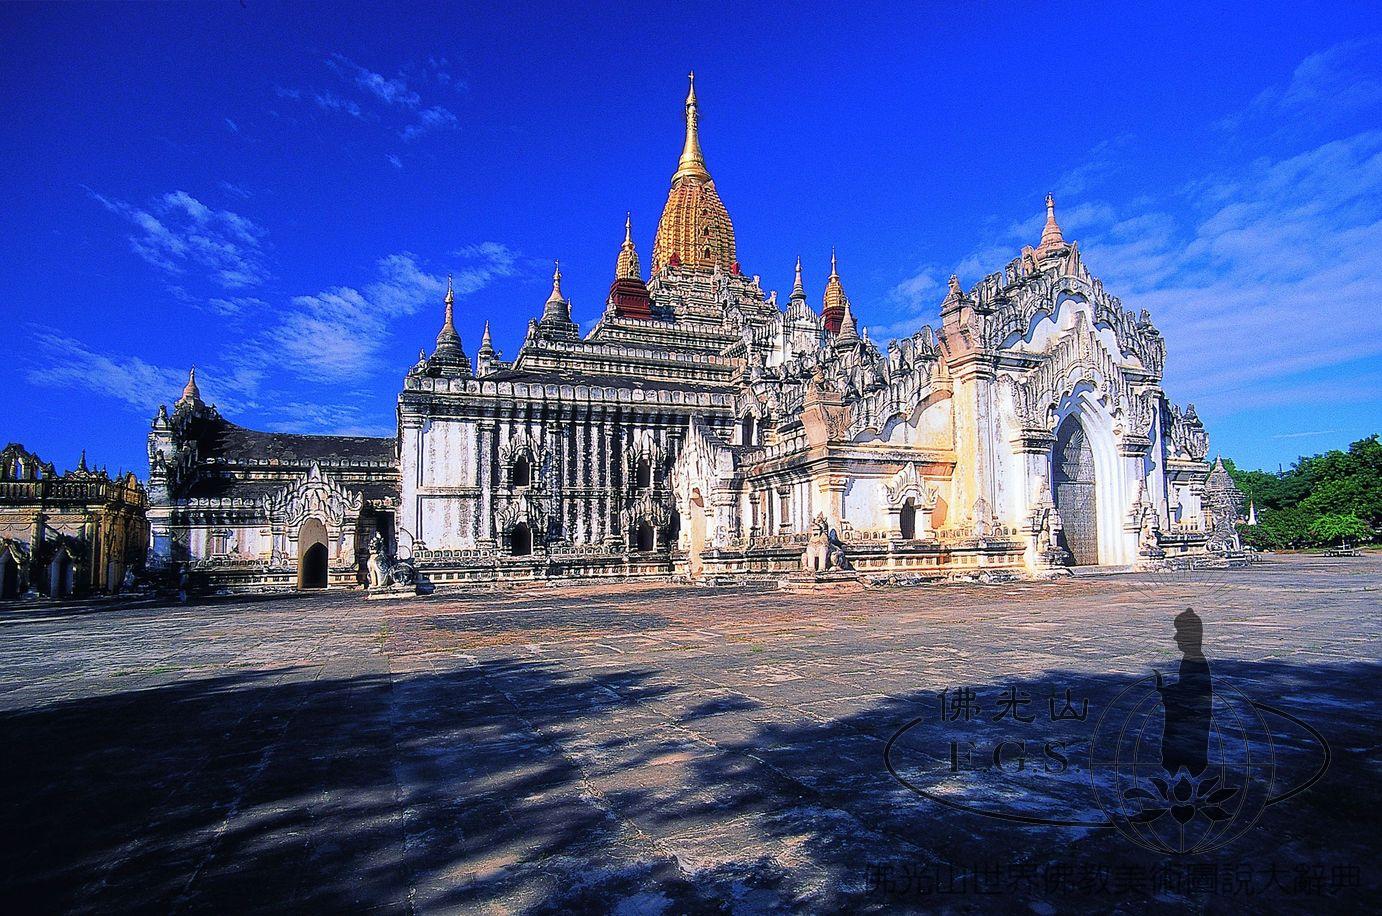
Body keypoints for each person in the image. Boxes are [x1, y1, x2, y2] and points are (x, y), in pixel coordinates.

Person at [1155, 608, 1213, 777]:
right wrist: (1169, 690)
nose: (1176, 638)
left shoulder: (1195, 661)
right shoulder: (1191, 659)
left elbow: (1192, 696)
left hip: (1190, 733)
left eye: (1179, 633)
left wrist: (1168, 693)